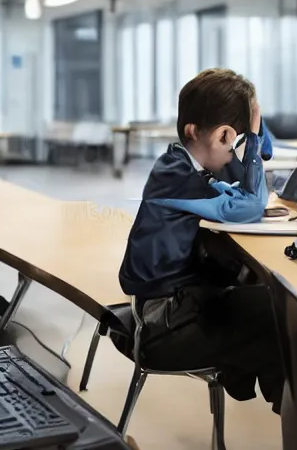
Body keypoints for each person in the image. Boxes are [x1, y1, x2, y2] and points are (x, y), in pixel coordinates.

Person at [117, 68, 284, 413]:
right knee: (280, 314)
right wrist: (251, 138)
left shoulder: (184, 166)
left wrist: (254, 128)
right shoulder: (177, 176)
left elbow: (242, 177)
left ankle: (283, 399)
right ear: (209, 133)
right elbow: (251, 204)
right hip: (160, 325)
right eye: (229, 141)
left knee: (261, 296)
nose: (232, 151)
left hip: (172, 304)